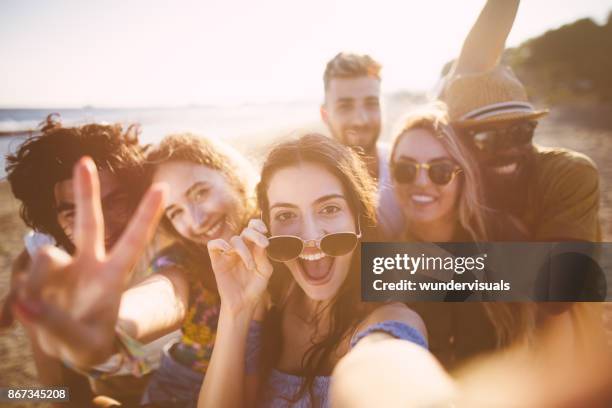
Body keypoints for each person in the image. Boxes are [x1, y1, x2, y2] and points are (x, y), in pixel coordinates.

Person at [198, 133, 428, 407]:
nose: (311, 236)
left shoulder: (391, 319)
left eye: (329, 209)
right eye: (286, 215)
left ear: (357, 218)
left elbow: (390, 366)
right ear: (268, 228)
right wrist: (235, 309)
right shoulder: (266, 307)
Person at [2, 114, 173, 406]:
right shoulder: (46, 262)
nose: (101, 225)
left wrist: (113, 327)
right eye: (72, 212)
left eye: (115, 202)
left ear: (135, 195)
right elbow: (56, 390)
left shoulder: (167, 237)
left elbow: (169, 292)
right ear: (52, 218)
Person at [389, 104, 533, 369]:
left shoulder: (504, 238)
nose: (421, 182)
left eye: (440, 170)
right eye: (406, 169)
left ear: (462, 175)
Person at [140, 133, 257, 407]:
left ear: (231, 174)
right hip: (178, 394)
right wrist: (117, 324)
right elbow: (160, 295)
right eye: (176, 212)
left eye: (200, 192)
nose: (196, 220)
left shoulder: (280, 227)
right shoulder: (180, 264)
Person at [321, 52, 404, 238]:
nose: (360, 120)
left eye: (371, 104)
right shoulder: (313, 184)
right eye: (345, 106)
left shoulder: (410, 170)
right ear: (325, 114)